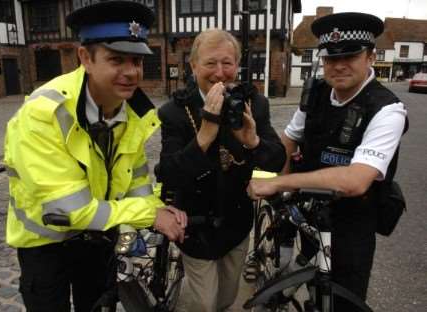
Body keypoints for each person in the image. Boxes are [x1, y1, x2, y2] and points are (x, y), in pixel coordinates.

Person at [4, 1, 187, 311]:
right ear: (85, 57)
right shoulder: (44, 113)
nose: (131, 72)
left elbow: (136, 179)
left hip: (98, 238)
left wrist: (159, 207)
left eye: (137, 61)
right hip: (46, 246)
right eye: (116, 59)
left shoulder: (131, 112)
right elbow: (69, 208)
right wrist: (149, 215)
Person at [247, 12, 408, 311]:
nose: (338, 66)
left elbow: (355, 181)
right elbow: (289, 137)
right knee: (313, 288)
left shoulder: (388, 110)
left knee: (345, 299)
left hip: (352, 225)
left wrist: (279, 182)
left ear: (371, 57)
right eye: (331, 58)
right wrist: (284, 192)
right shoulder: (316, 93)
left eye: (350, 56)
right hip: (312, 216)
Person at [156, 28, 287, 312]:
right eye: (210, 63)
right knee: (204, 304)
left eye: (227, 63)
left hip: (237, 222)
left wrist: (252, 141)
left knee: (227, 298)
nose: (219, 72)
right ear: (193, 66)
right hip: (195, 225)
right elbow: (167, 173)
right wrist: (203, 137)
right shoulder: (175, 111)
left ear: (237, 65)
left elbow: (276, 160)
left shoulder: (254, 104)